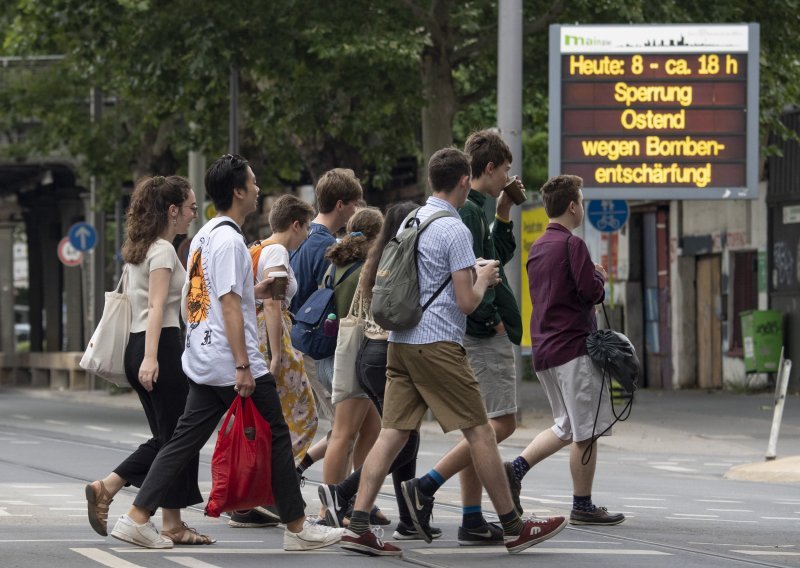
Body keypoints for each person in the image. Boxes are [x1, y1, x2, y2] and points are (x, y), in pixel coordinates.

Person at [337, 148, 567, 557]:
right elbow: (466, 302)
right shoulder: (455, 227)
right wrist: (484, 278)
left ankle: (357, 523)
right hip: (437, 342)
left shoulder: (413, 218)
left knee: (392, 434)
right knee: (480, 431)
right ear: (464, 181)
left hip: (400, 342)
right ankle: (514, 525)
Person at [109, 154, 344, 551]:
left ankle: (136, 516)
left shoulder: (202, 237)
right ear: (237, 191)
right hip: (232, 360)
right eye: (252, 183)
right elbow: (230, 306)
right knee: (277, 435)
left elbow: (200, 300)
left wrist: (258, 292)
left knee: (182, 440)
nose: (257, 190)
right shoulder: (232, 240)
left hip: (202, 356)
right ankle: (299, 527)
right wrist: (242, 364)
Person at [403, 131, 526, 546]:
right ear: (487, 169)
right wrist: (491, 321)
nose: (508, 176)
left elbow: (497, 255)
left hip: (457, 331)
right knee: (495, 425)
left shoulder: (478, 211)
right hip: (476, 329)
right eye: (505, 169)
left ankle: (472, 516)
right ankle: (428, 485)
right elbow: (474, 274)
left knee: (480, 428)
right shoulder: (466, 215)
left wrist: (505, 211)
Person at [84, 175, 212, 545]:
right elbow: (157, 307)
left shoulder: (141, 250)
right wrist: (153, 358)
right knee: (177, 440)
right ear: (172, 210)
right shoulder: (161, 252)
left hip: (138, 347)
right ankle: (110, 487)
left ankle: (172, 523)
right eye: (189, 207)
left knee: (169, 436)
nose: (192, 213)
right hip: (159, 348)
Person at [317, 201, 444, 541]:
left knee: (402, 434)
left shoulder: (375, 258)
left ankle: (407, 517)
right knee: (399, 437)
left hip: (367, 355)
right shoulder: (400, 257)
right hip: (389, 352)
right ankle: (342, 494)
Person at [506, 174, 624, 526]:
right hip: (573, 348)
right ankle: (582, 504)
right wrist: (599, 277)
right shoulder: (572, 244)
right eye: (582, 201)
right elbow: (589, 293)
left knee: (566, 425)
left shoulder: (539, 247)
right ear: (573, 206)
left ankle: (515, 469)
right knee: (586, 432)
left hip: (544, 349)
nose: (582, 207)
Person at [226, 194, 318, 529]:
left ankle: (255, 496)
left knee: (266, 424)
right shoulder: (277, 251)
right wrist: (279, 353)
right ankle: (270, 489)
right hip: (272, 338)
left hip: (256, 339)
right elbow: (274, 303)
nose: (307, 235)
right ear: (296, 224)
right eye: (306, 228)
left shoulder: (256, 246)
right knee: (304, 417)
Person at [319, 208, 385, 521]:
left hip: (340, 351)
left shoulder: (336, 264)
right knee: (343, 434)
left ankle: (360, 501)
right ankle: (328, 507)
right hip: (357, 351)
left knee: (371, 429)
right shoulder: (365, 269)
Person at [289, 168, 363, 394]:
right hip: (319, 348)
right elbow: (336, 299)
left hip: (301, 339)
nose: (357, 209)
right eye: (354, 203)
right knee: (344, 425)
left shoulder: (304, 235)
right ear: (340, 205)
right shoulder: (327, 246)